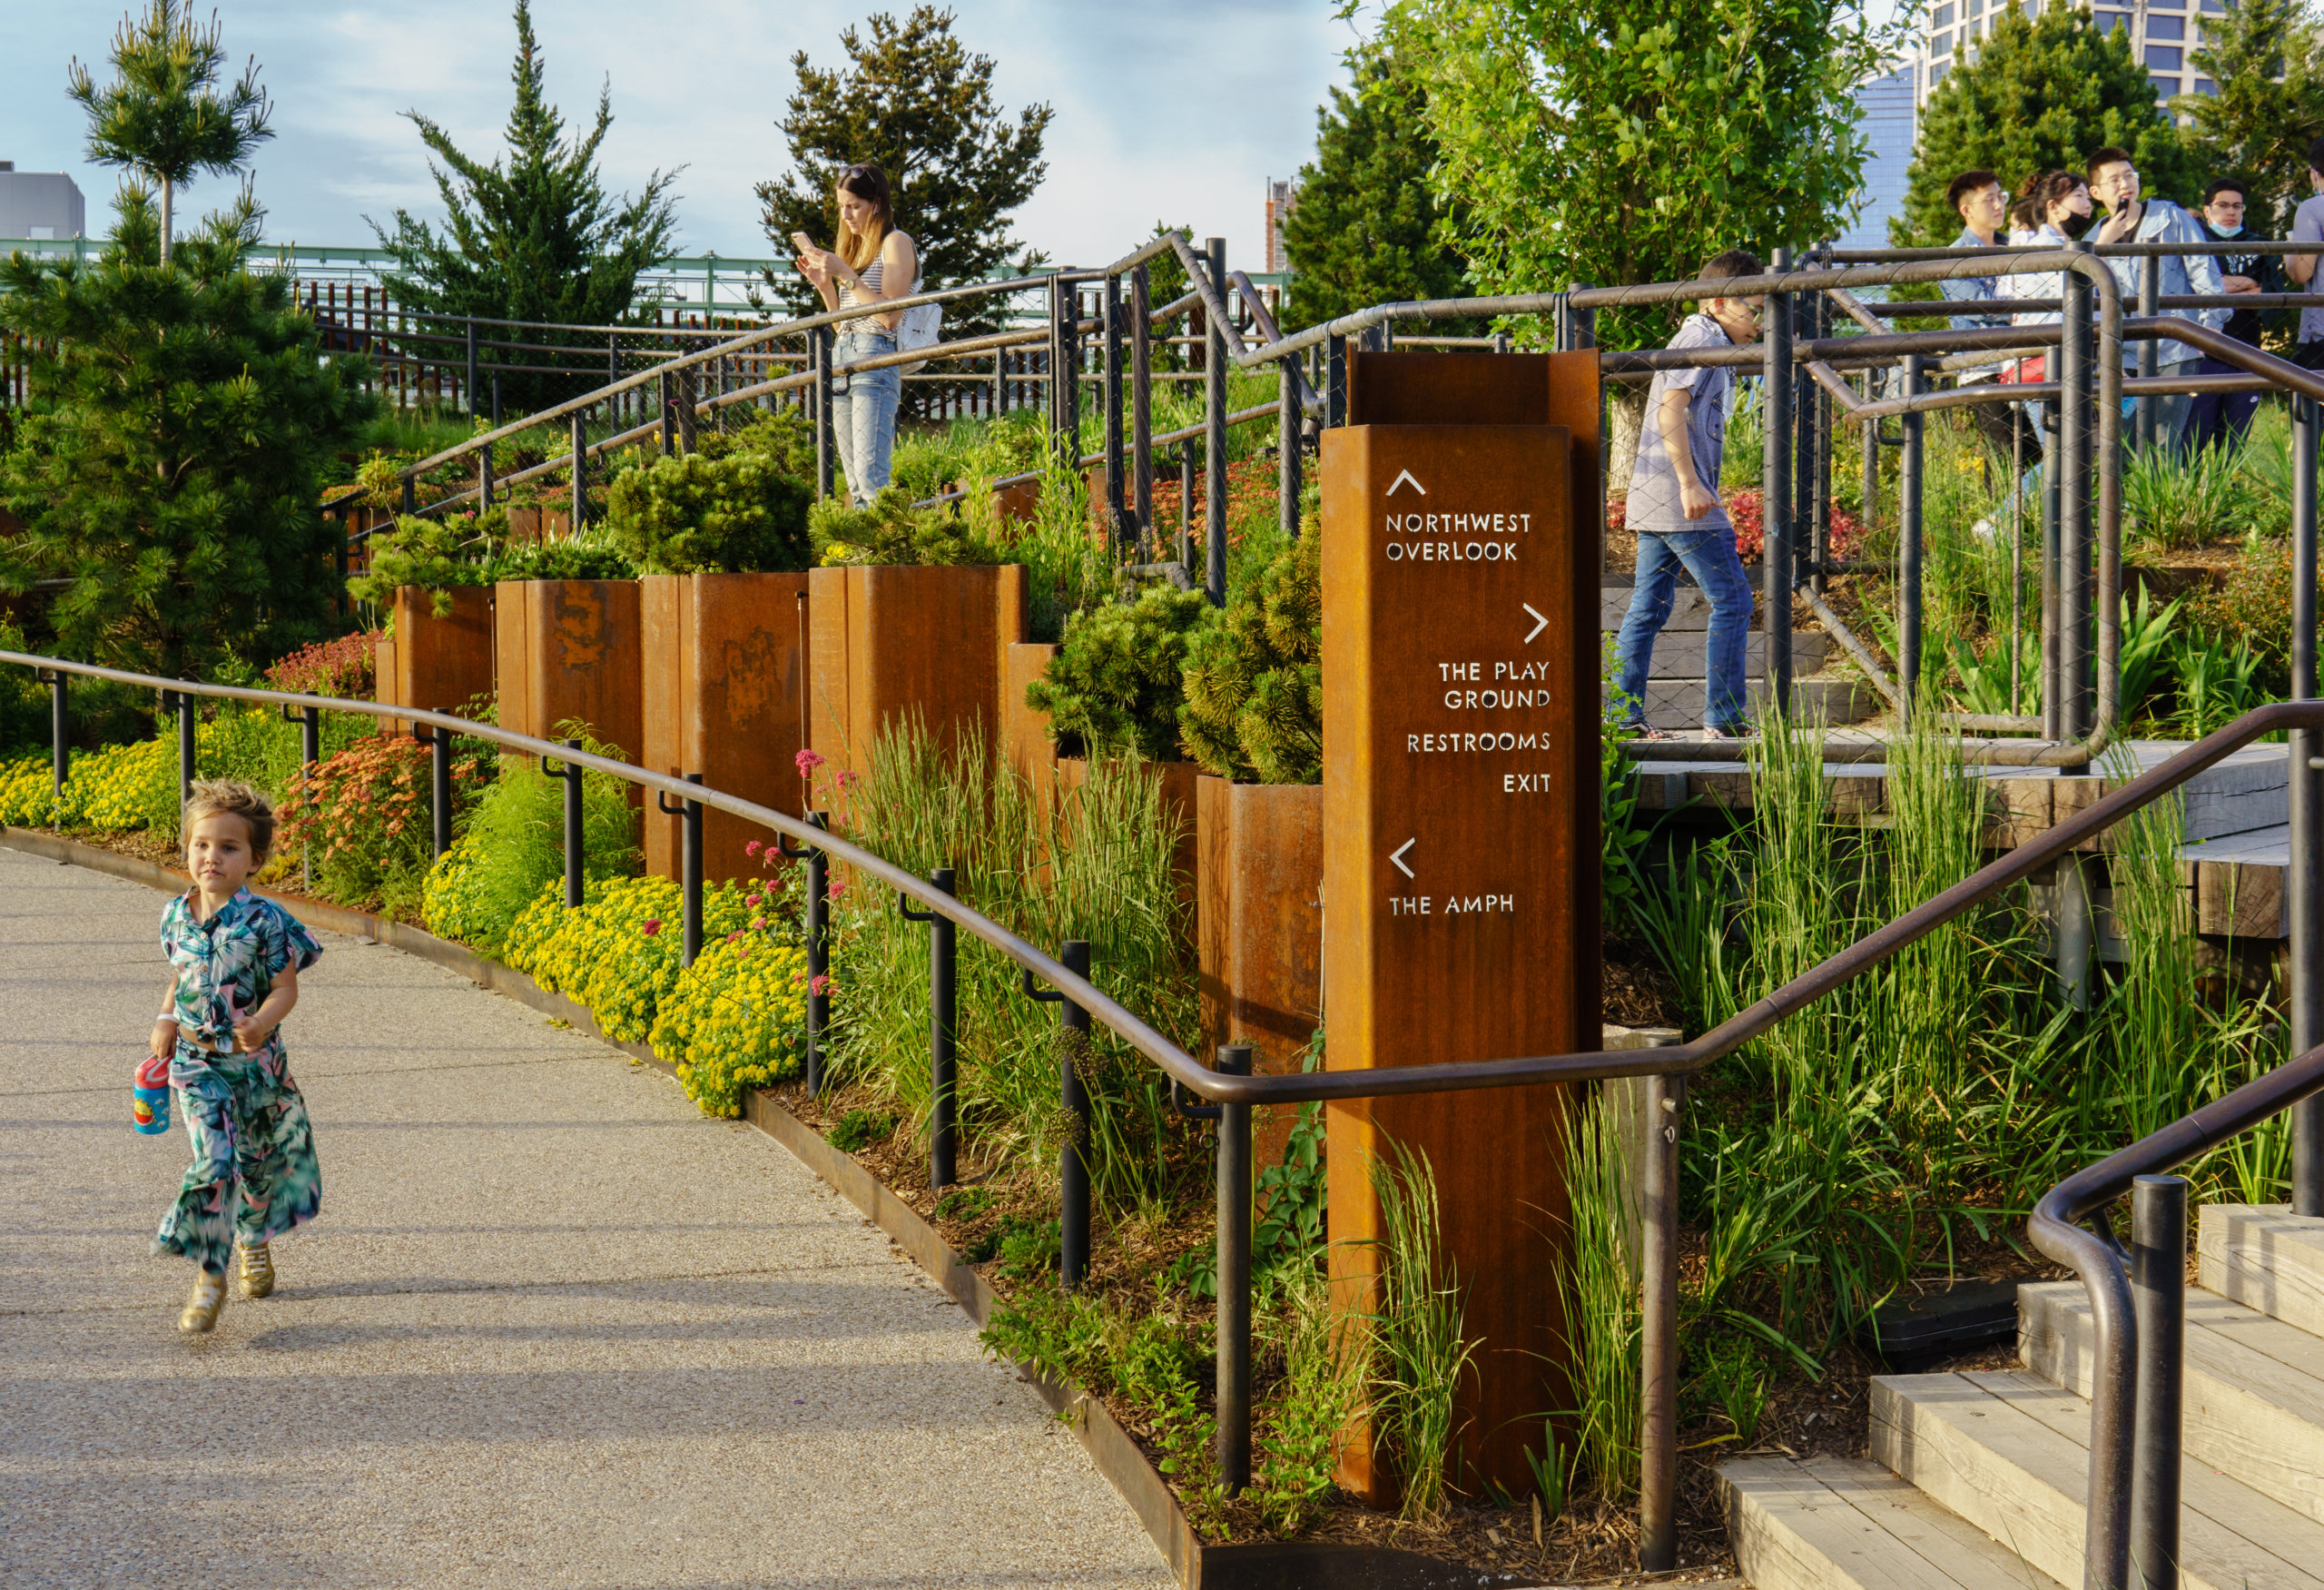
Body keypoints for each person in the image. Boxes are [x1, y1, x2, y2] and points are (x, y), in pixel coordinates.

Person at [150, 780, 324, 1334]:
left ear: (255, 858)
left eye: (229, 847)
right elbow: (183, 976)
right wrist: (166, 1019)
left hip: (255, 1067)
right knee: (211, 1161)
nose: (212, 857)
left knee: (255, 1168)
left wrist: (262, 1022)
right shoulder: (175, 916)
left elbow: (285, 988)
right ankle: (208, 1276)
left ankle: (253, 1240)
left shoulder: (264, 921)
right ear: (187, 849)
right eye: (202, 844)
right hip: (196, 1066)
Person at [1613, 249, 1764, 742]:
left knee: (1650, 605)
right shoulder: (1700, 338)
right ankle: (1723, 718)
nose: (1759, 321)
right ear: (1719, 302)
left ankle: (1624, 716)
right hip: (1681, 499)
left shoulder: (1710, 339)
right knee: (1734, 600)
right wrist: (1690, 483)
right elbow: (1668, 411)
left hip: (1655, 497)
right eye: (1754, 310)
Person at [793, 162, 920, 506]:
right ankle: (869, 554)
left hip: (876, 359)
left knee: (871, 477)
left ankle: (886, 553)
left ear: (876, 203)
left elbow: (890, 316)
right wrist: (824, 286)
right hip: (844, 357)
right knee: (854, 481)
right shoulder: (856, 249)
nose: (846, 215)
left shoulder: (895, 242)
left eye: (854, 206)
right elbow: (841, 324)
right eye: (841, 206)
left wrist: (846, 274)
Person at [2086, 146, 2227, 449]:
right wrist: (2101, 247)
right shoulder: (2093, 237)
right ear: (2095, 191)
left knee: (2164, 443)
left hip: (2175, 347)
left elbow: (2205, 274)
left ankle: (2162, 498)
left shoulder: (2170, 217)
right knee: (2121, 444)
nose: (2125, 183)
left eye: (2130, 175)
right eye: (2115, 179)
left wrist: (2209, 328)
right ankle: (2125, 499)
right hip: (2122, 353)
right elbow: (2086, 299)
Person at [2189, 176, 2280, 450]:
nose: (2231, 212)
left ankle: (2230, 492)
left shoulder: (2260, 245)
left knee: (2235, 441)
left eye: (2238, 206)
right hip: (2202, 350)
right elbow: (2193, 286)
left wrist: (2221, 285)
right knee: (2194, 437)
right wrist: (2249, 284)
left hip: (2247, 349)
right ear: (2207, 210)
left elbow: (2272, 295)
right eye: (2223, 205)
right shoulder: (2196, 243)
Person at [1940, 169, 2019, 458]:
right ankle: (2001, 506)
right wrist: (2024, 311)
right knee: (2003, 456)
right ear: (1966, 209)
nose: (1999, 205)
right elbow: (1981, 309)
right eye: (1990, 199)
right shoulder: (1952, 256)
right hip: (1984, 367)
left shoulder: (2017, 247)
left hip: (2026, 361)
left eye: (2001, 197)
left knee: (2037, 453)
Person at [2284, 136, 2324, 368]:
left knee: (2308, 398)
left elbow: (2302, 272)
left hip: (2319, 333)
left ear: (2314, 174)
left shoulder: (2313, 208)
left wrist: (2290, 247)